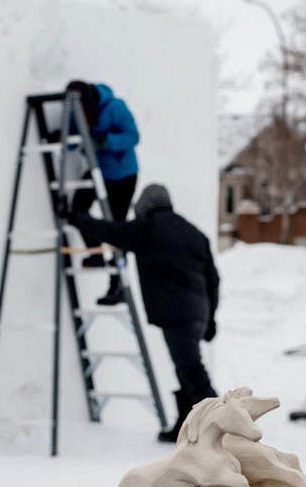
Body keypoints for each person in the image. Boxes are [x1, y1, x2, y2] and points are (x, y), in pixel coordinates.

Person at [61, 183, 220, 442]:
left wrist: (75, 217)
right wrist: (211, 318)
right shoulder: (194, 233)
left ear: (145, 206)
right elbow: (213, 279)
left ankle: (222, 427)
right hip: (198, 312)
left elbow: (109, 231)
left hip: (175, 313)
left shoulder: (148, 228)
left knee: (192, 371)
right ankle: (185, 427)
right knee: (186, 369)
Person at [64, 81, 139, 302]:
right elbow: (72, 139)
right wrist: (61, 137)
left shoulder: (115, 107)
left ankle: (118, 285)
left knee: (117, 228)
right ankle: (95, 255)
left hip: (123, 175)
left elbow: (133, 136)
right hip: (98, 171)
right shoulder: (77, 110)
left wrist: (107, 141)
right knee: (77, 211)